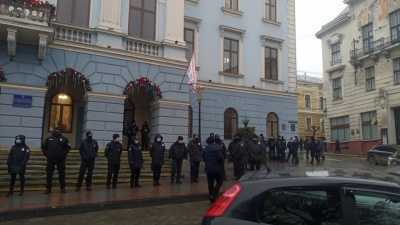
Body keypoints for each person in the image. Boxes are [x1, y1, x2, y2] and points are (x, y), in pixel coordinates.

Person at [41, 127, 71, 194]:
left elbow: (68, 147)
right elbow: (43, 148)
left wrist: (63, 155)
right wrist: (47, 155)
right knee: (49, 174)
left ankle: (62, 187)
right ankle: (48, 188)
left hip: (61, 160)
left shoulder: (64, 139)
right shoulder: (48, 139)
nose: (57, 132)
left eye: (58, 130)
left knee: (62, 174)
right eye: (56, 130)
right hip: (50, 160)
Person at [202, 136, 224, 203]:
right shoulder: (216, 148)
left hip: (208, 169)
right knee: (220, 181)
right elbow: (220, 158)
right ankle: (214, 194)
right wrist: (221, 165)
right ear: (213, 141)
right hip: (216, 168)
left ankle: (211, 197)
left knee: (210, 183)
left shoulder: (205, 149)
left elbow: (204, 159)